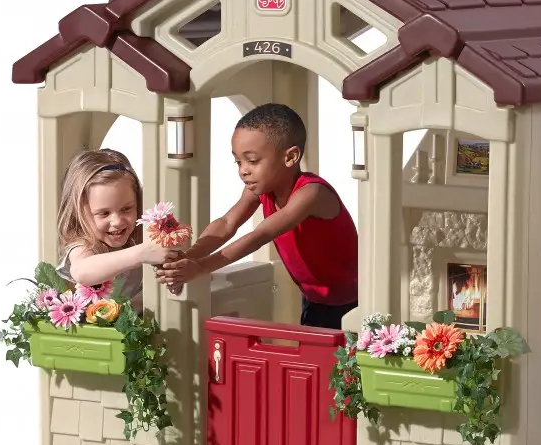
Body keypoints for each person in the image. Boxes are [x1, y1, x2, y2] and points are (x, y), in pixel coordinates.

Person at [157, 104, 358, 330]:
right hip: (314, 299)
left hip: (352, 303)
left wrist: (201, 267)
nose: (243, 170)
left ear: (290, 157)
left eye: (252, 161)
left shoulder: (312, 193)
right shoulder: (260, 189)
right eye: (238, 161)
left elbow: (261, 234)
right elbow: (227, 223)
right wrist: (188, 258)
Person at [56, 149, 178, 308]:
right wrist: (142, 253)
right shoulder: (83, 245)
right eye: (104, 213)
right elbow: (82, 271)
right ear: (78, 212)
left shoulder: (136, 239)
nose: (118, 222)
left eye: (126, 209)